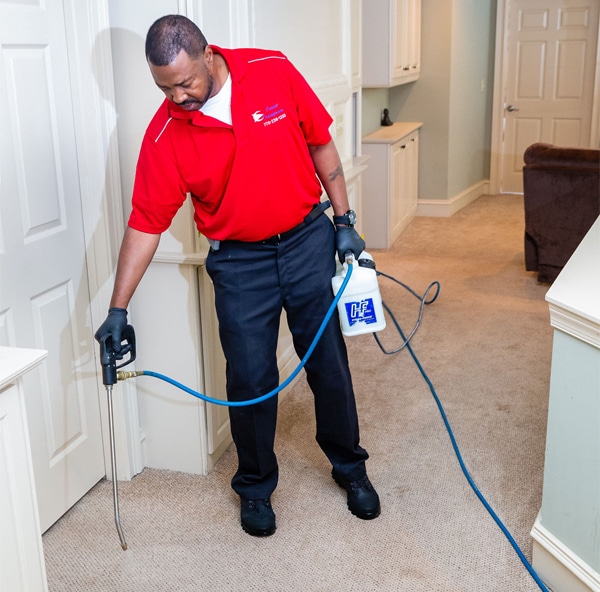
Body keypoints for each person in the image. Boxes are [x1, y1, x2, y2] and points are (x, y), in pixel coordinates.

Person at [95, 14, 380, 537]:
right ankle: (254, 487)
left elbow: (320, 144)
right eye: (165, 88)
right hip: (239, 263)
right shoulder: (165, 133)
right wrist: (118, 307)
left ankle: (350, 468)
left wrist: (344, 222)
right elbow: (144, 223)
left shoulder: (270, 70)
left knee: (328, 365)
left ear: (208, 55)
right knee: (250, 380)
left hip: (305, 240)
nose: (179, 98)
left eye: (185, 83)